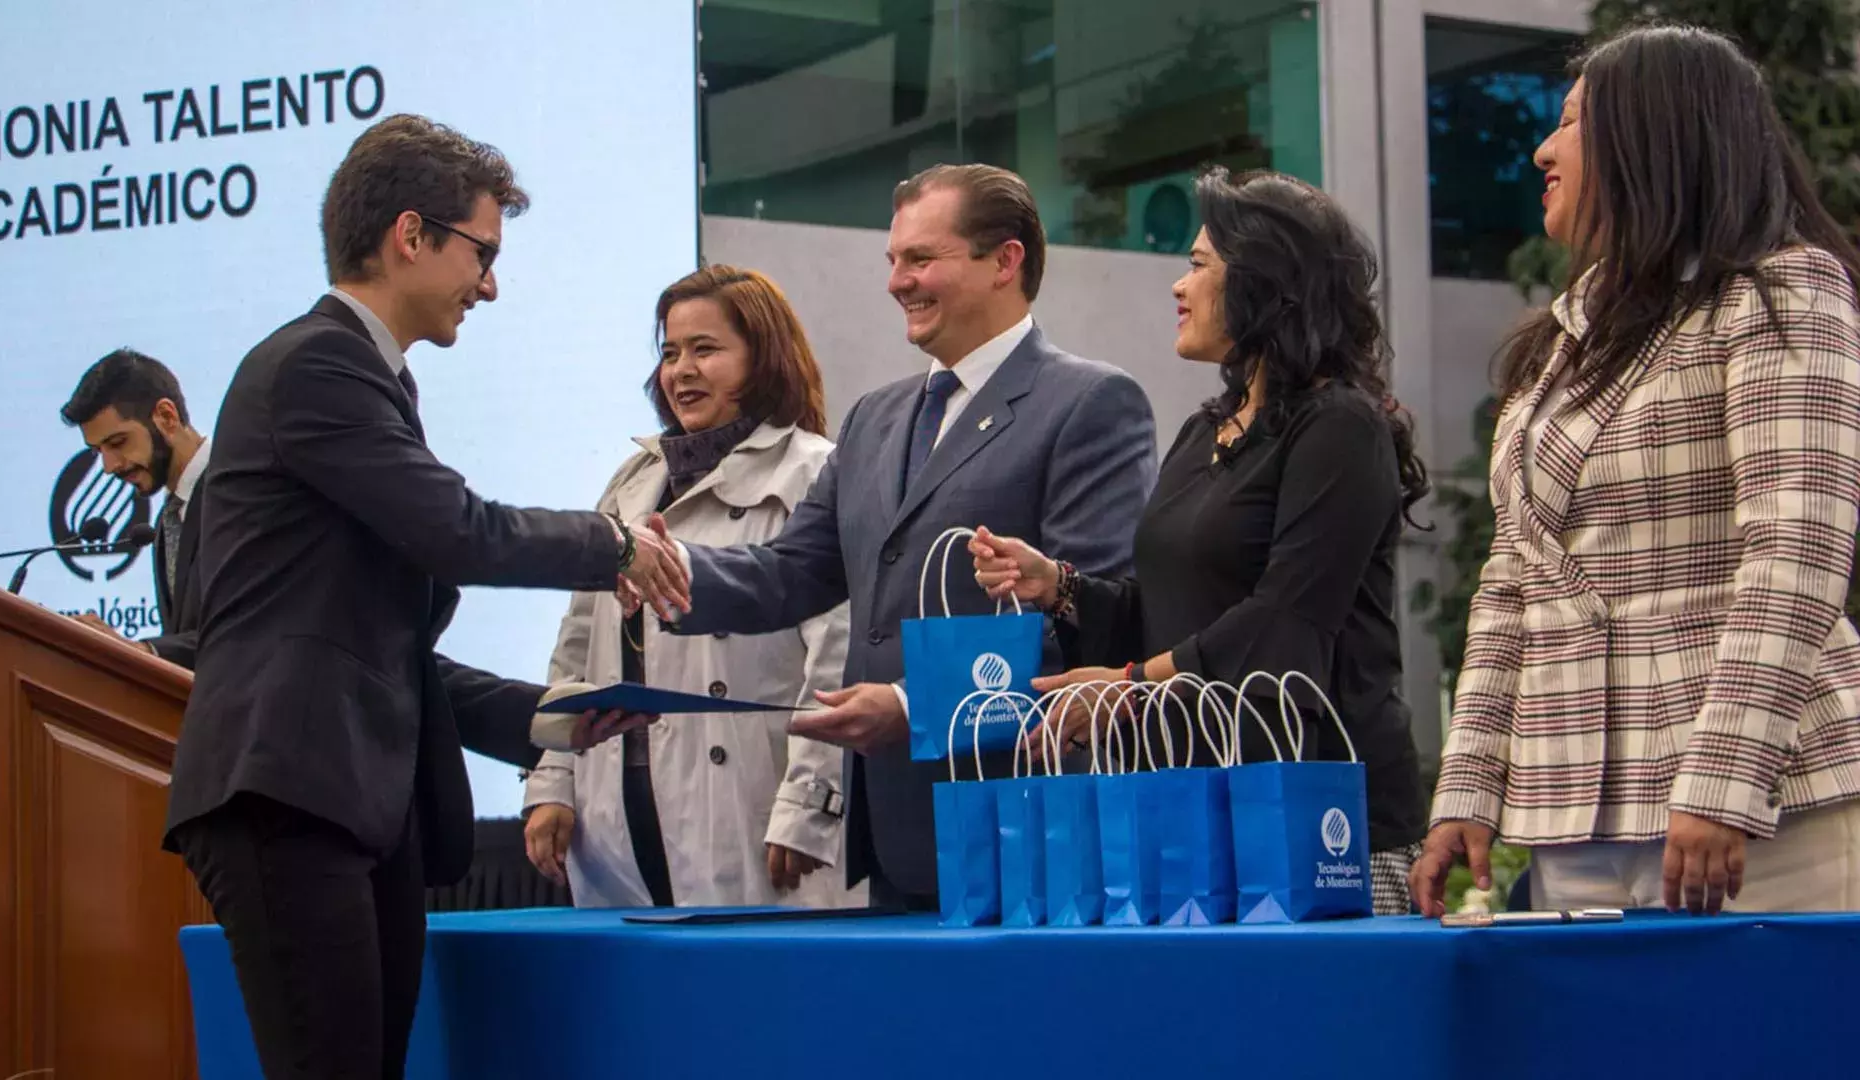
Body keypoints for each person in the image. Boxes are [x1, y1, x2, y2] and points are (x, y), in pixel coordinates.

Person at [161, 114, 690, 1079]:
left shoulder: (366, 377)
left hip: (340, 793)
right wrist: (611, 541)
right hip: (288, 788)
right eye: (481, 252)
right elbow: (459, 528)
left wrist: (553, 716)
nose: (489, 283)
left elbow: (377, 645)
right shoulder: (317, 364)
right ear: (412, 235)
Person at [1409, 25, 1860, 918]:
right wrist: (1467, 790)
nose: (1543, 147)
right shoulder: (1561, 343)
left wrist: (1725, 774)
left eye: (1573, 121)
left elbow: (1797, 549)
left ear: (1654, 136)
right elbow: (1511, 580)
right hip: (1576, 817)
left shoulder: (1784, 291)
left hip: (1764, 814)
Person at [645, 164, 1158, 911]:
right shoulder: (875, 418)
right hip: (891, 832)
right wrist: (668, 568)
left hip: (1019, 828)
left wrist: (915, 706)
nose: (896, 282)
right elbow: (793, 572)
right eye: (893, 261)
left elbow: (1092, 619)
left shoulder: (1091, 403)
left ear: (1005, 261)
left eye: (920, 259)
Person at [969, 167, 1431, 914]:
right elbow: (1171, 612)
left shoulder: (1340, 425)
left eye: (1197, 265)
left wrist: (1129, 687)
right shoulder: (1201, 432)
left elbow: (1285, 622)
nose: (1177, 287)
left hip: (1325, 820)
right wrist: (1059, 585)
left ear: (1264, 283)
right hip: (1194, 800)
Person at [522, 265, 856, 908]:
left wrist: (810, 802)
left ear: (765, 359)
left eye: (706, 349)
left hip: (751, 810)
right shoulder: (633, 478)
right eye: (671, 352)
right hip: (616, 809)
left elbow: (837, 660)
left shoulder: (814, 469)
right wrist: (553, 778)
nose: (681, 371)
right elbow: (578, 645)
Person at [58, 348, 208, 666]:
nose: (109, 466)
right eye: (98, 450)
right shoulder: (168, 518)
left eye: (117, 443)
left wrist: (144, 651)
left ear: (167, 417)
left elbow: (254, 629)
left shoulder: (243, 492)